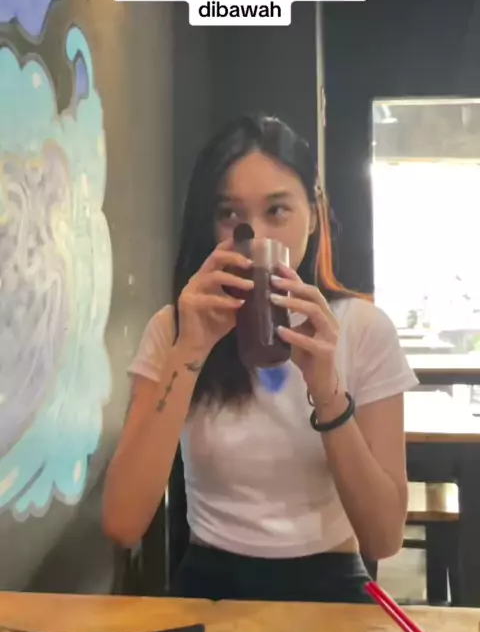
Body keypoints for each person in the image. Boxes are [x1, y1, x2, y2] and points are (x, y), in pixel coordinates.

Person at [103, 114, 418, 603]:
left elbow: (383, 538)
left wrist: (326, 391)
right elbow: (123, 522)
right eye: (230, 214)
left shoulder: (363, 330)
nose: (256, 239)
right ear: (209, 225)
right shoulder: (175, 329)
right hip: (211, 583)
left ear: (313, 215)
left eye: (278, 210)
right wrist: (190, 351)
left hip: (332, 581)